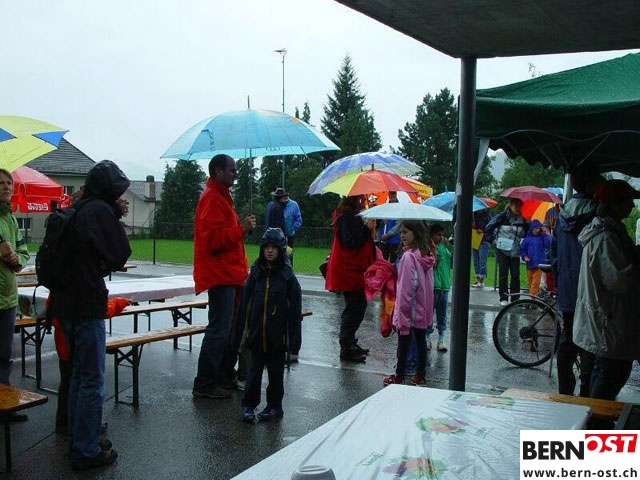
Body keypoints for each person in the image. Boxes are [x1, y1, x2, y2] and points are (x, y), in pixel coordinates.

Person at [49, 160, 131, 470]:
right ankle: (85, 449)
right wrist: (115, 217)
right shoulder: (99, 211)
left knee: (78, 376)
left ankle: (78, 437)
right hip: (86, 304)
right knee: (92, 380)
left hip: (65, 304)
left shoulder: (79, 209)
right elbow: (120, 253)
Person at [193, 154, 256, 400]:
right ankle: (205, 382)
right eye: (232, 170)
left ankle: (221, 375)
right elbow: (213, 241)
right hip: (220, 275)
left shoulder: (221, 198)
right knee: (219, 329)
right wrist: (241, 228)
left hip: (229, 274)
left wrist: (240, 229)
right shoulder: (212, 199)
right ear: (217, 171)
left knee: (228, 328)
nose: (236, 174)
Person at [573, 179, 640, 402]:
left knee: (604, 375)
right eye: (628, 201)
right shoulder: (605, 239)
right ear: (614, 204)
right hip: (607, 324)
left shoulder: (609, 233)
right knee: (609, 377)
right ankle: (595, 420)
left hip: (606, 323)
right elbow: (619, 281)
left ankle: (594, 417)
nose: (632, 206)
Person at [237, 228, 302, 423]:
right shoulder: (255, 275)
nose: (270, 250)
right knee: (253, 373)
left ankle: (275, 406)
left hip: (277, 338)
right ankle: (248, 405)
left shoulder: (288, 278)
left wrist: (294, 343)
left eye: (274, 247)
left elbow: (295, 313)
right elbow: (244, 308)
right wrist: (239, 336)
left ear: (281, 250)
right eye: (267, 247)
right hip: (256, 336)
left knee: (275, 375)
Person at [551, 169, 603, 396]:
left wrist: (559, 281)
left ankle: (565, 390)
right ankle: (586, 392)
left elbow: (554, 253)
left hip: (567, 286)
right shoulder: (597, 213)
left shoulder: (563, 214)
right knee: (590, 342)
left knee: (569, 339)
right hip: (591, 286)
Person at [383, 220, 435, 386]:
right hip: (422, 309)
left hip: (409, 310)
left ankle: (399, 375)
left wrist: (401, 314)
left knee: (403, 343)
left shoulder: (408, 257)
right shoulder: (425, 255)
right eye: (401, 232)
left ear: (415, 233)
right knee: (420, 341)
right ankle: (420, 375)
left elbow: (407, 287)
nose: (402, 236)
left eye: (405, 232)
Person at [325, 195, 375, 362]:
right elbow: (351, 242)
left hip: (354, 271)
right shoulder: (346, 219)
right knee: (354, 308)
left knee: (357, 307)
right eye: (360, 199)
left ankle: (350, 341)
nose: (363, 202)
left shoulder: (350, 219)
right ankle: (346, 346)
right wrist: (366, 229)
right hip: (349, 272)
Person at [0, 168, 30, 422]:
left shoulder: (10, 220)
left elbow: (24, 252)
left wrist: (15, 259)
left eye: (9, 183)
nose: (6, 187)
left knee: (4, 356)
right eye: (0, 183)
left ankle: (5, 404)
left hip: (8, 299)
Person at [485, 198, 528, 306]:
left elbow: (527, 233)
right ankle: (503, 298)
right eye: (516, 206)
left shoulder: (523, 218)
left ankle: (515, 299)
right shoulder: (502, 216)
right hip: (502, 250)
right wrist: (492, 240)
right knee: (503, 274)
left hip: (515, 251)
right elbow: (488, 227)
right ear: (511, 205)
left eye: (520, 206)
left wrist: (529, 224)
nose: (518, 209)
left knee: (515, 274)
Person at [428, 223, 452, 353]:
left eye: (442, 235)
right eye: (438, 235)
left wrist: (449, 247)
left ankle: (441, 339)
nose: (441, 237)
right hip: (433, 286)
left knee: (442, 316)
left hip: (444, 286)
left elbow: (451, 261)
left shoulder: (444, 247)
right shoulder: (429, 248)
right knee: (429, 314)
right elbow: (434, 264)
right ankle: (427, 338)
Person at [520, 220, 551, 297]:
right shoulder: (527, 239)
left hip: (539, 264)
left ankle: (532, 297)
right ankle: (533, 296)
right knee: (531, 282)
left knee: (535, 282)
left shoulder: (541, 238)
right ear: (532, 228)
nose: (537, 230)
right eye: (536, 228)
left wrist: (545, 235)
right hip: (530, 263)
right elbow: (522, 249)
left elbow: (548, 244)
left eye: (539, 228)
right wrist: (524, 256)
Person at [376, 191, 401, 264]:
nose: (392, 199)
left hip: (394, 240)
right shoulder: (385, 207)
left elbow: (398, 225)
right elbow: (379, 222)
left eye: (394, 196)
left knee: (394, 261)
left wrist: (388, 234)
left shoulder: (400, 208)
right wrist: (382, 221)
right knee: (383, 260)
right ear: (388, 196)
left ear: (396, 195)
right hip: (383, 239)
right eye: (391, 197)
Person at [471, 207, 492, 288]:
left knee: (482, 261)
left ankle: (481, 280)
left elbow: (491, 227)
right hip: (475, 240)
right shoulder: (474, 216)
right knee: (475, 261)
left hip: (484, 240)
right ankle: (478, 279)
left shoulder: (488, 217)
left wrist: (482, 230)